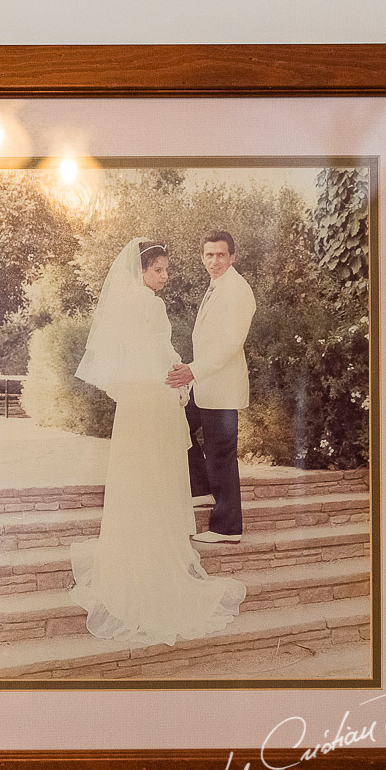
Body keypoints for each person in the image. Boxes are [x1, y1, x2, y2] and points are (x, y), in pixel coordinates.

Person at [68, 238, 246, 646]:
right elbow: (153, 353)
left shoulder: (129, 301)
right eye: (159, 270)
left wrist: (176, 372)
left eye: (166, 269)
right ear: (141, 270)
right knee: (155, 474)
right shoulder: (147, 303)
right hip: (151, 399)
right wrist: (176, 380)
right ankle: (153, 561)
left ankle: (131, 552)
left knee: (139, 475)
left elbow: (136, 355)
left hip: (136, 401)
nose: (165, 276)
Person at [166, 230, 256, 544]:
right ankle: (201, 488)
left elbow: (231, 343)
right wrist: (193, 371)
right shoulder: (217, 285)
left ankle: (227, 528)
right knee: (177, 425)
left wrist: (193, 370)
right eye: (208, 254)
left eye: (220, 254)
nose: (214, 261)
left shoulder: (237, 289)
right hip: (205, 385)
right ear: (202, 256)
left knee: (221, 454)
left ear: (232, 256)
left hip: (222, 387)